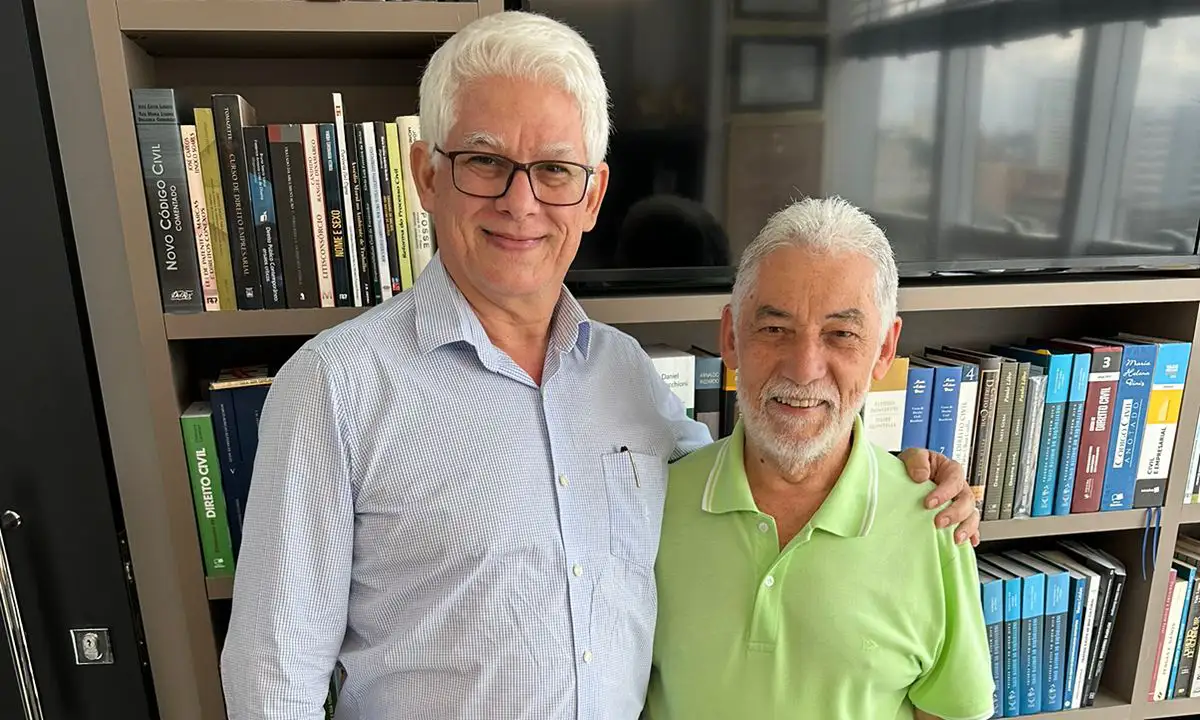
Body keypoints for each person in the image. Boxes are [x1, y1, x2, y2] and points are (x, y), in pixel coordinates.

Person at [218, 11, 981, 720]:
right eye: (484, 161)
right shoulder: (335, 388)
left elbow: (760, 462)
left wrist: (905, 479)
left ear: (592, 196)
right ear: (425, 173)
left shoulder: (625, 376)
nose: (521, 202)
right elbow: (273, 681)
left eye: (554, 170)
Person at [644, 196, 996, 720]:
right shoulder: (650, 508)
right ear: (730, 338)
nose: (804, 368)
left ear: (884, 350)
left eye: (841, 334)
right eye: (775, 328)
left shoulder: (937, 525)